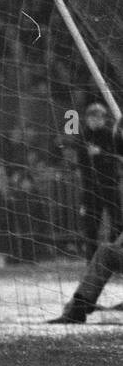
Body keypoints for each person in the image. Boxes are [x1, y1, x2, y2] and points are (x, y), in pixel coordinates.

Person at [50, 101, 123, 323]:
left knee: (110, 245)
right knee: (103, 245)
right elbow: (68, 148)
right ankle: (79, 308)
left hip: (108, 189)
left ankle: (77, 310)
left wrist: (103, 152)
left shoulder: (108, 138)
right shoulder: (83, 137)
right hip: (91, 191)